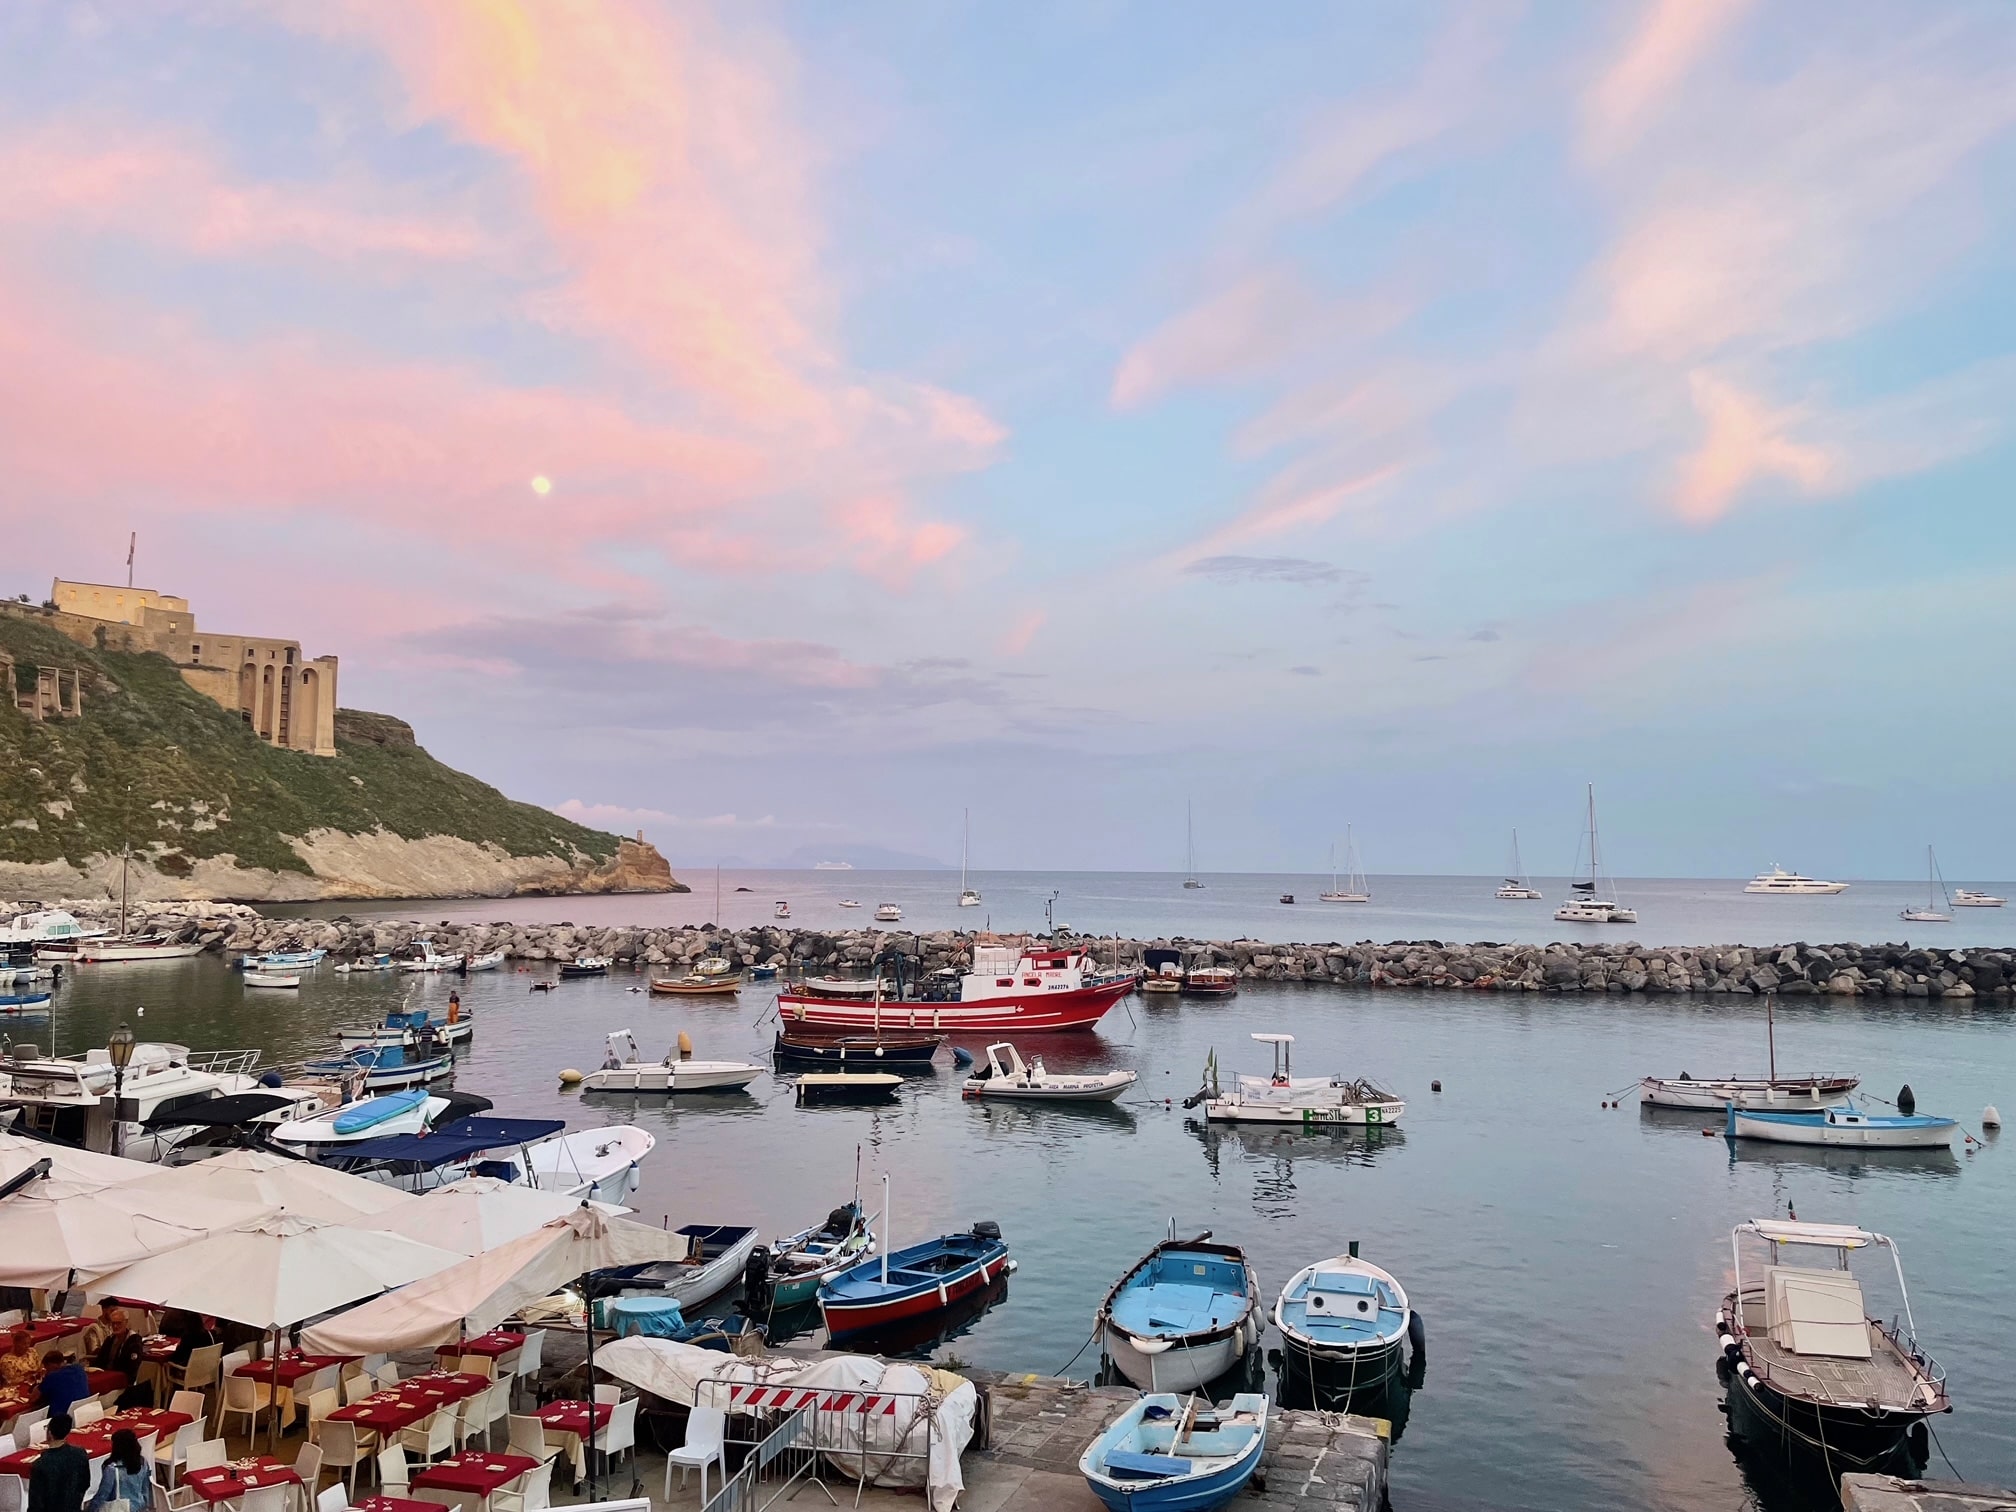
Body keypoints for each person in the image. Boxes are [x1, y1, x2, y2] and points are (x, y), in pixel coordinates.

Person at [26, 1413, 88, 1512]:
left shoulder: (41, 1464)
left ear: (49, 1433)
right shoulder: (80, 1453)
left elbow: (36, 1502)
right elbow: (84, 1483)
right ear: (67, 1433)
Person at [88, 1429, 151, 1512]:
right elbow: (145, 1488)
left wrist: (90, 1509)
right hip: (138, 1506)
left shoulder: (112, 1469)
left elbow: (103, 1494)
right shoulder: (143, 1462)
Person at [1, 1325, 42, 1390]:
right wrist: (26, 1377)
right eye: (24, 1344)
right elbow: (10, 1382)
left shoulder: (32, 1352)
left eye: (28, 1343)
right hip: (17, 1389)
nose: (27, 1346)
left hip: (35, 1384)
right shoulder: (7, 1360)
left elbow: (39, 1368)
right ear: (16, 1344)